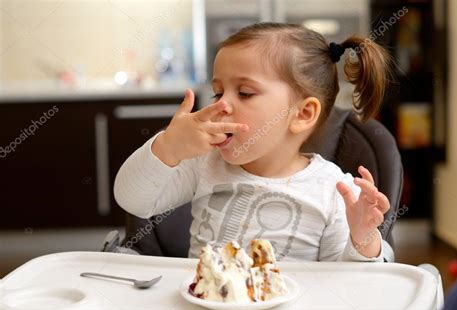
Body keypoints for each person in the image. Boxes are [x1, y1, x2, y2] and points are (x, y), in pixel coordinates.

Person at [114, 22, 391, 262]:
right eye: (218, 93)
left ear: (303, 114)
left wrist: (363, 240)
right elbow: (133, 201)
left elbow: (350, 286)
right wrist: (168, 148)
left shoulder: (334, 191)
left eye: (244, 93)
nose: (222, 105)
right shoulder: (204, 164)